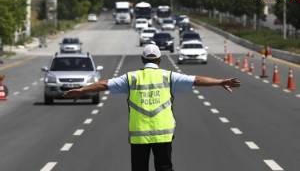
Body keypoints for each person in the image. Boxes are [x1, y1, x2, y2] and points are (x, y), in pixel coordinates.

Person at [63, 44, 241, 171]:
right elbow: (197, 80)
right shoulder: (169, 76)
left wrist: (82, 90)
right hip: (163, 134)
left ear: (142, 59)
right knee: (164, 168)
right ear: (160, 59)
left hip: (139, 135)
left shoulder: (131, 78)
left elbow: (104, 84)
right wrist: (221, 82)